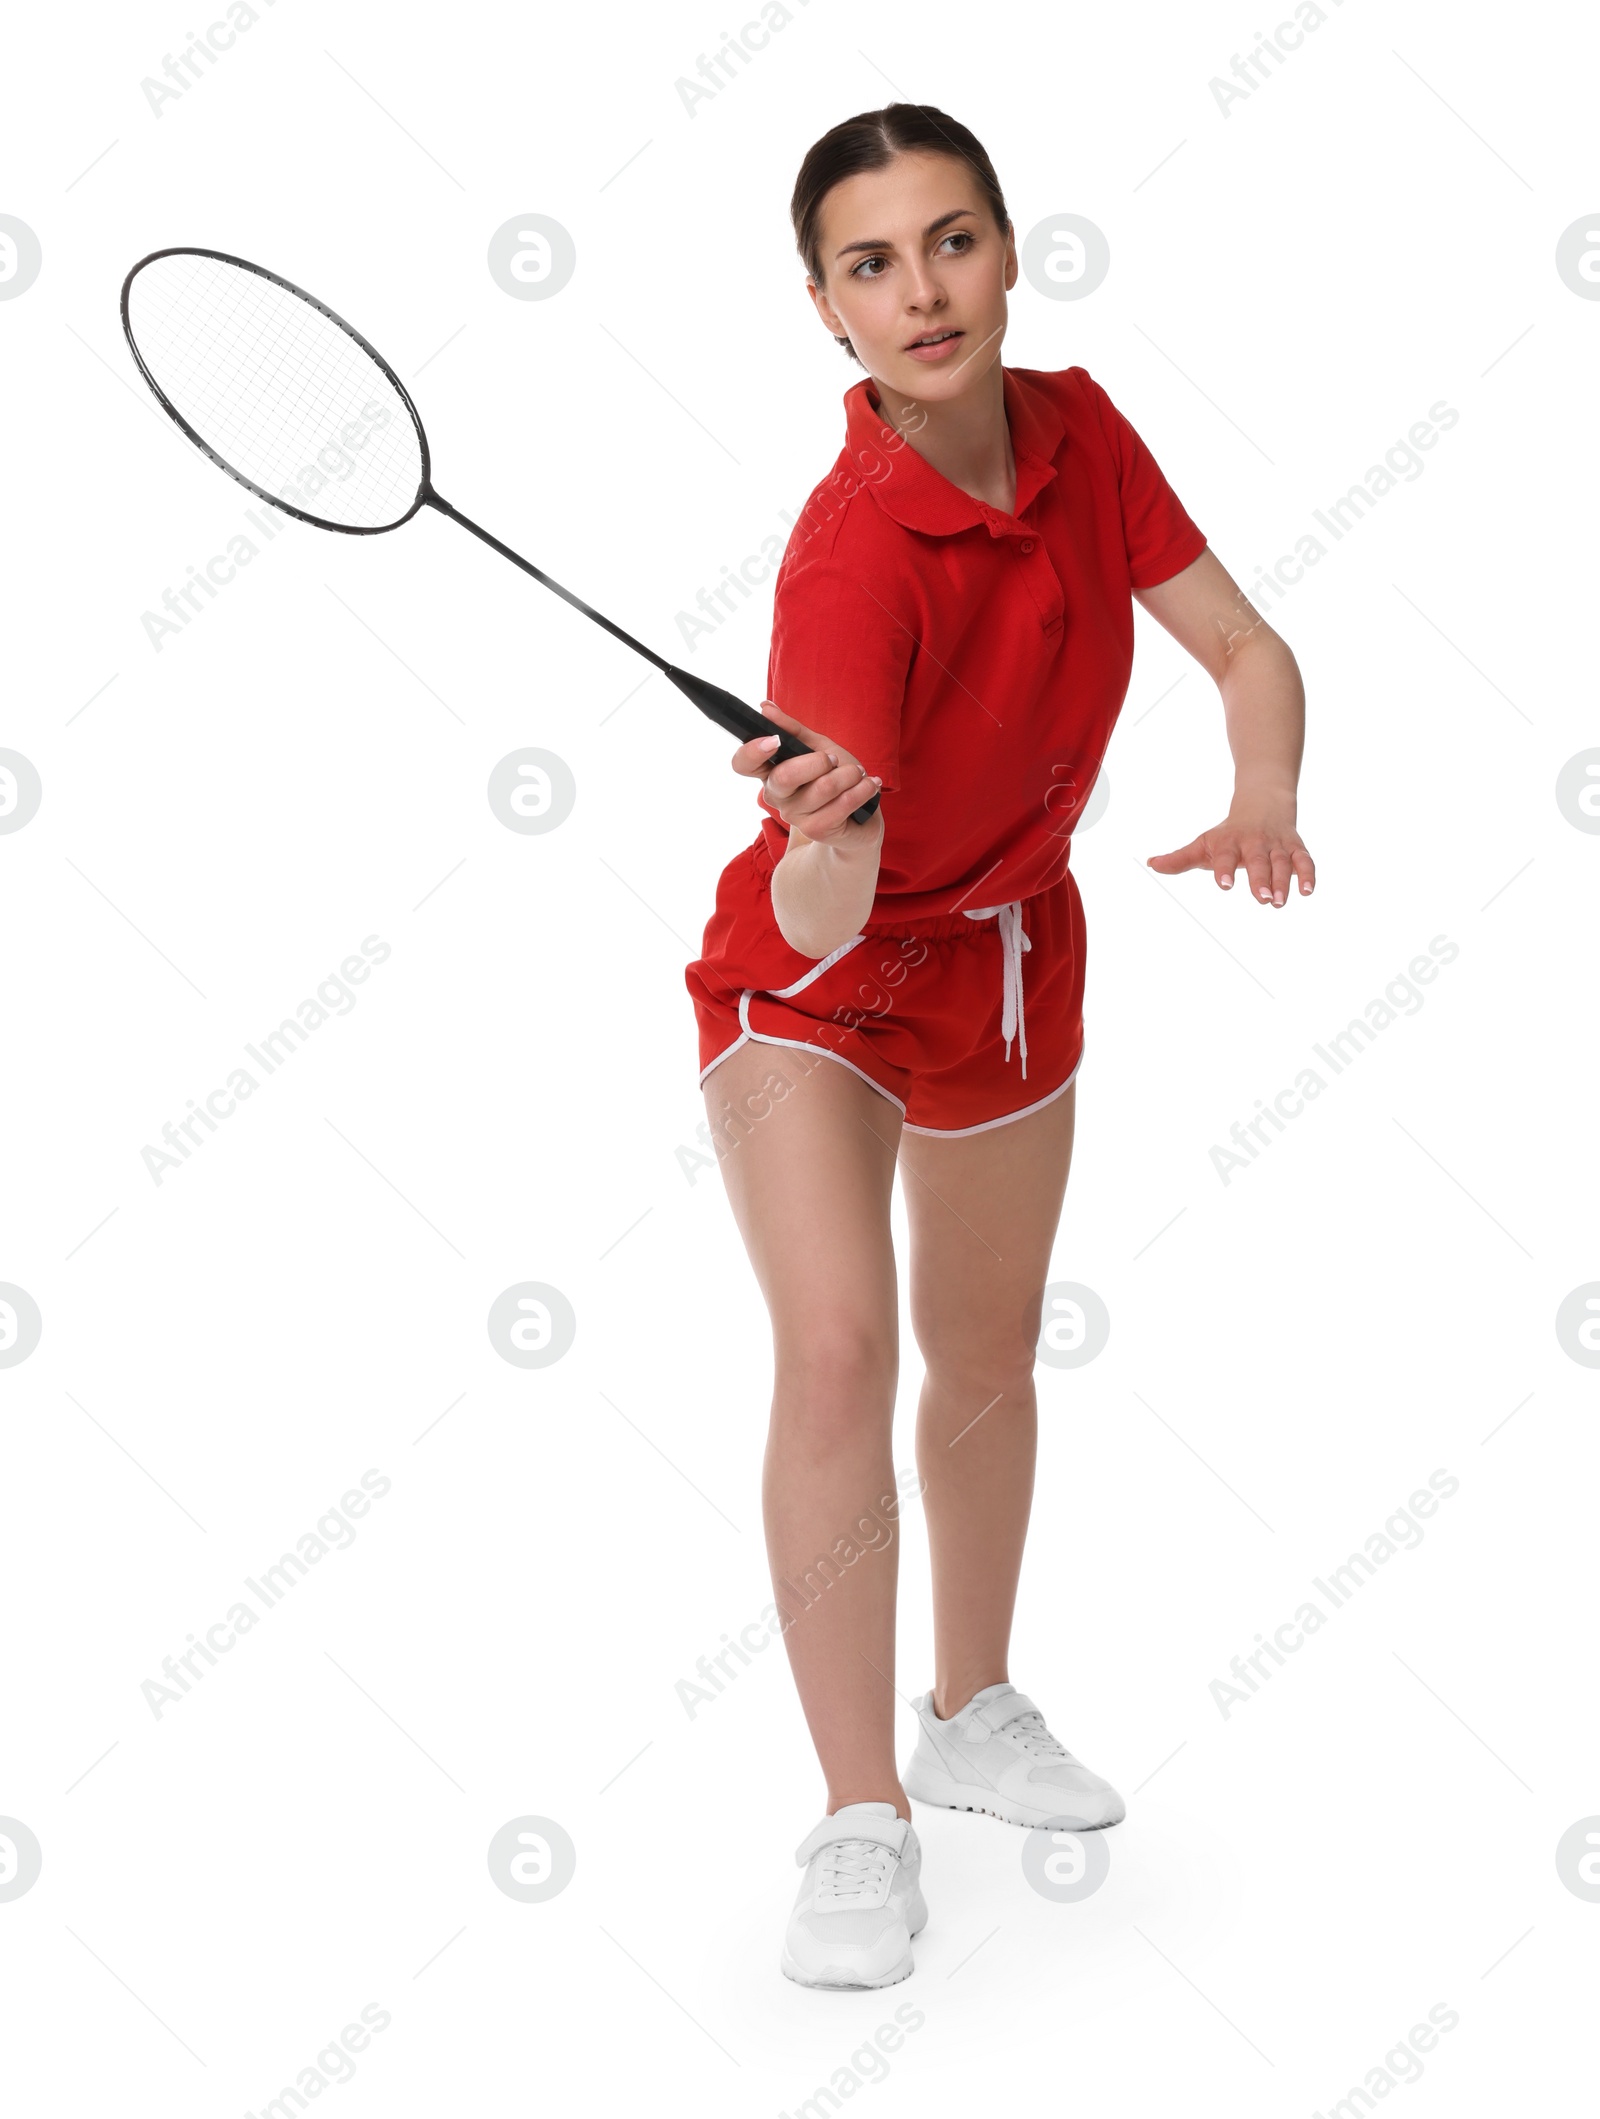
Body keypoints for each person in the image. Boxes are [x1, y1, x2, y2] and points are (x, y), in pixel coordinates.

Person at [684, 103, 1315, 1990]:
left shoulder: (1082, 430)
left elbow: (1249, 651)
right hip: (817, 988)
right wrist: (830, 835)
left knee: (980, 1353)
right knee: (839, 1348)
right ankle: (861, 1813)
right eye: (870, 264)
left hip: (1015, 949)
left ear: (1009, 249)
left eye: (950, 240)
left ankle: (973, 1712)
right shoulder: (849, 561)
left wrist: (1262, 793)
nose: (922, 289)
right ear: (827, 312)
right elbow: (813, 921)